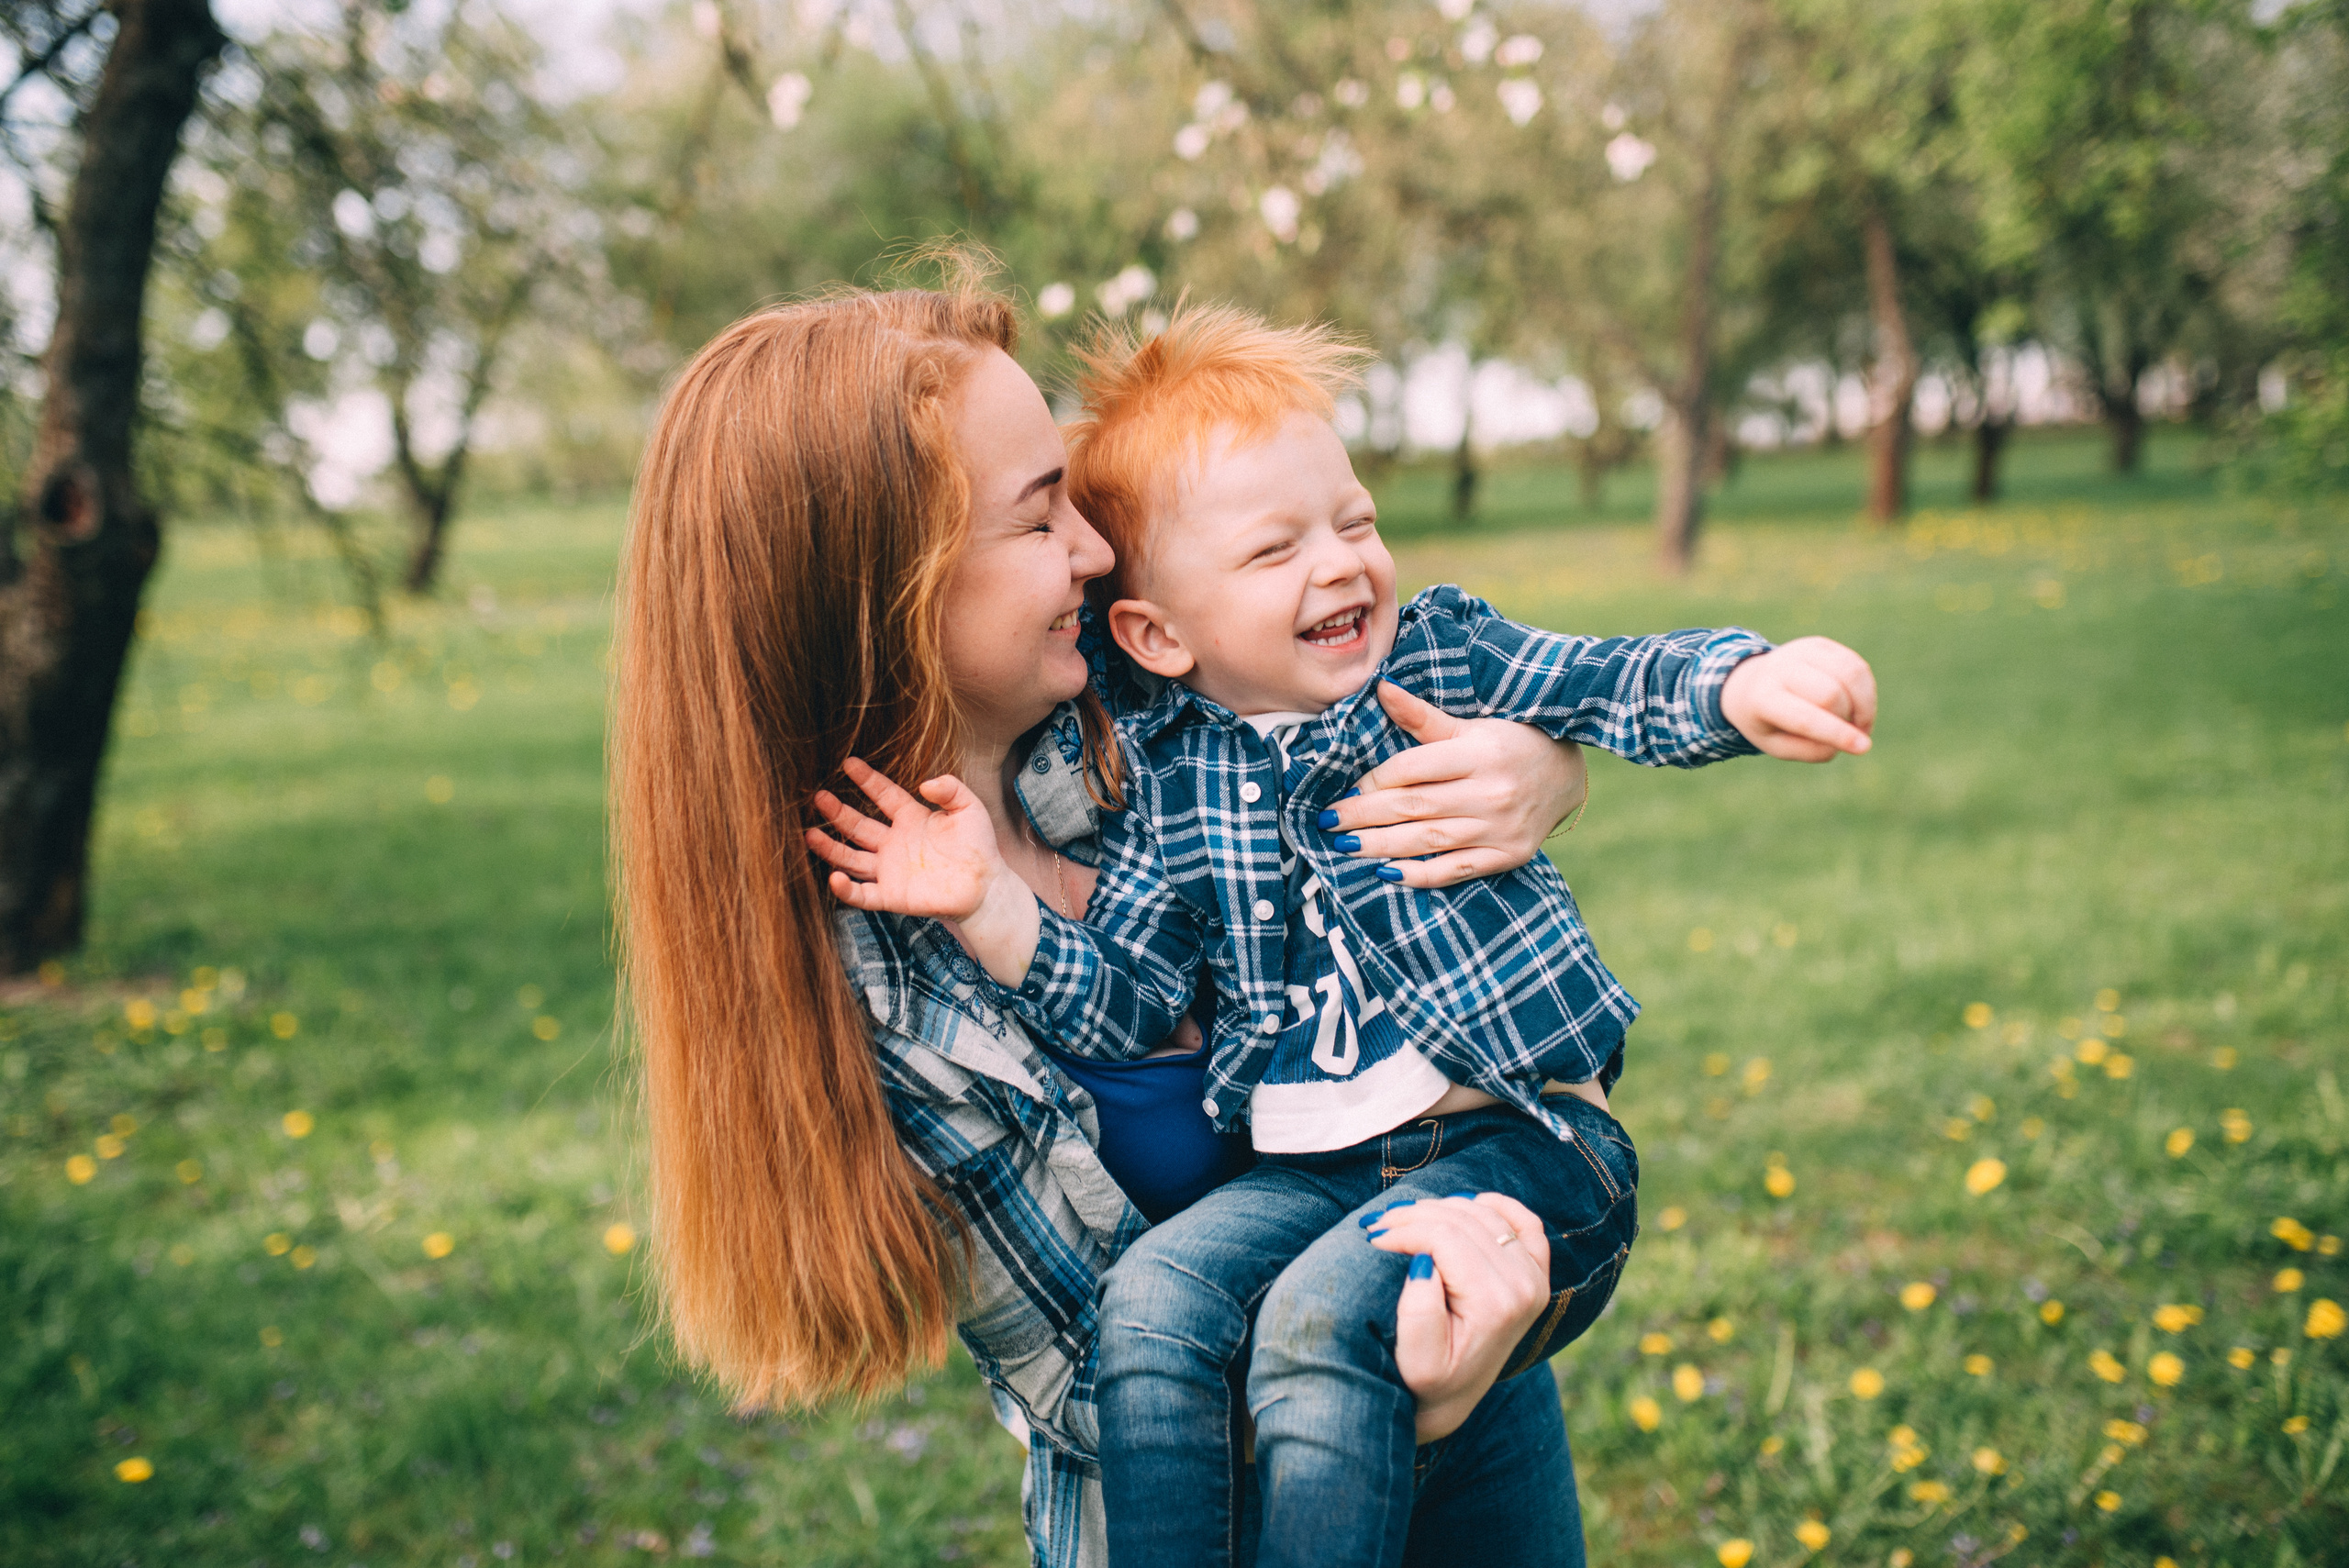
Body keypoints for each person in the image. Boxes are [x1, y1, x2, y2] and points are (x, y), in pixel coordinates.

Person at [811, 303, 1879, 1568]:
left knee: (1319, 1308)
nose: (1094, 553)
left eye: (1358, 520)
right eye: (1043, 515)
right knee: (1158, 1305)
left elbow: (1601, 673)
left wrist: (1708, 698)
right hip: (1308, 1227)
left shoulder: (1378, 667)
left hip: (1510, 1144)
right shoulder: (1163, 777)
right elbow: (1131, 1000)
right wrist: (991, 906)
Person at [610, 274, 1602, 1568]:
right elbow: (1099, 1387)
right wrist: (1411, 1388)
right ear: (889, 592)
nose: (1094, 549)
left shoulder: (1135, 699)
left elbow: (1386, 680)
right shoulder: (881, 996)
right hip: (1241, 1504)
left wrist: (1533, 769)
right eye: (1040, 520)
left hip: (1475, 1358)